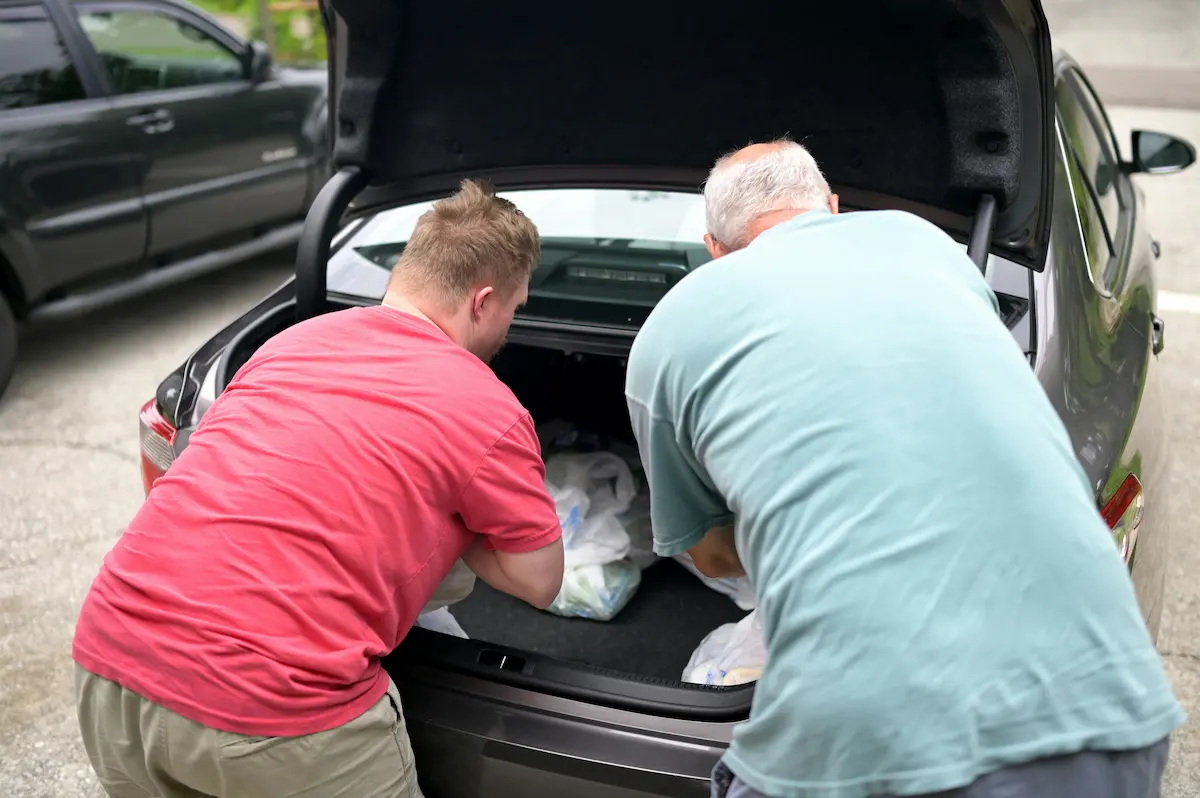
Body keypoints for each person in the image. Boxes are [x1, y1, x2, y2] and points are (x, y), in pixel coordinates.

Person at [625, 140, 1184, 798]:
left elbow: (716, 559)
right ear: (832, 207)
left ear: (713, 249)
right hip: (1109, 711)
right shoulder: (925, 246)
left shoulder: (669, 331)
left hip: (867, 747)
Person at [73, 179, 565, 798]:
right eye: (515, 309)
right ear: (483, 300)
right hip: (273, 709)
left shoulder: (288, 344)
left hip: (110, 662)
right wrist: (450, 515)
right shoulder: (486, 407)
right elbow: (540, 581)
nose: (509, 328)